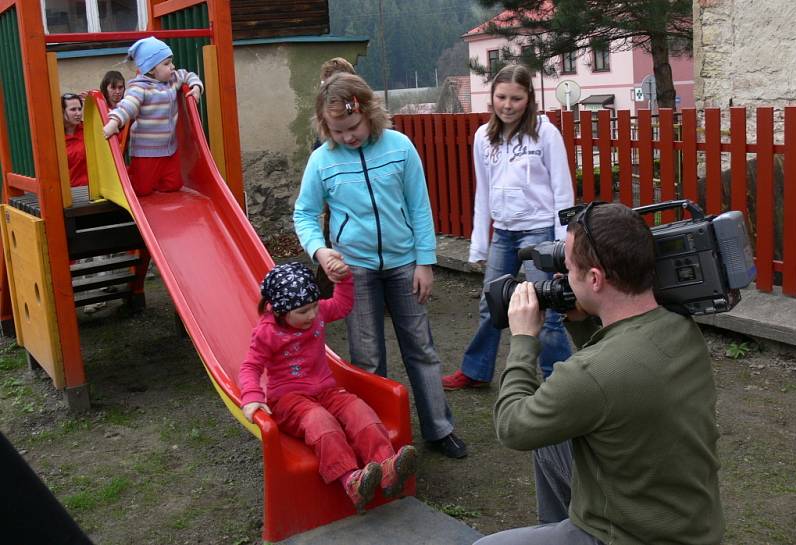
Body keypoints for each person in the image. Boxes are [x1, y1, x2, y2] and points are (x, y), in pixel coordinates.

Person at [475, 202, 724, 545]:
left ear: (595, 279)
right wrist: (581, 320)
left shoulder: (591, 375)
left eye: (569, 268)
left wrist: (522, 340)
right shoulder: (679, 325)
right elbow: (612, 375)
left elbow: (513, 427)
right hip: (690, 524)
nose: (563, 278)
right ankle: (559, 527)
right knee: (551, 440)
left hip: (631, 537)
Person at [293, 72, 467, 459]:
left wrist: (425, 261)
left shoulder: (400, 148)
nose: (347, 137)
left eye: (352, 127)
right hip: (354, 270)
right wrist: (321, 252)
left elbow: (420, 208)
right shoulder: (322, 161)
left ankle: (439, 428)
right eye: (337, 131)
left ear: (369, 112)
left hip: (405, 263)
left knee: (421, 348)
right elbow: (304, 213)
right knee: (367, 357)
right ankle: (377, 436)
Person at [238, 262, 417, 513]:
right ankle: (350, 481)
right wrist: (252, 397)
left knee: (359, 411)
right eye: (303, 311)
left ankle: (387, 467)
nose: (312, 315)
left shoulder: (317, 313)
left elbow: (342, 306)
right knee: (321, 423)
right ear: (280, 312)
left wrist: (343, 280)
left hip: (327, 391)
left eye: (313, 307)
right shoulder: (268, 332)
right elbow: (250, 366)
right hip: (289, 399)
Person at [442, 64, 574, 390]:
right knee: (491, 304)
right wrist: (478, 244)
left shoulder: (545, 133)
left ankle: (559, 384)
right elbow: (482, 194)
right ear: (492, 97)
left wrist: (563, 250)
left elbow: (563, 191)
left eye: (516, 98)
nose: (508, 105)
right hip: (503, 232)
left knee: (548, 310)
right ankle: (476, 370)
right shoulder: (483, 138)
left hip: (541, 233)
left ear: (529, 98)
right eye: (501, 97)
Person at [103, 37, 203, 197]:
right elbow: (127, 105)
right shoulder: (139, 87)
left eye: (171, 62)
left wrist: (196, 87)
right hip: (146, 151)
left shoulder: (172, 80)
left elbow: (189, 75)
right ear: (150, 69)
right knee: (141, 189)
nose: (172, 67)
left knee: (174, 185)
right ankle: (125, 177)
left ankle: (153, 178)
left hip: (170, 149)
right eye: (166, 64)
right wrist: (114, 121)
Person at [313, 57, 357, 299]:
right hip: (334, 183)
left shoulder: (356, 108)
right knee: (333, 238)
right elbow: (319, 146)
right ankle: (327, 290)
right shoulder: (325, 110)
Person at [62, 93, 88, 187]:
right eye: (73, 109)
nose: (78, 113)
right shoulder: (55, 138)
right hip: (70, 193)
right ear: (62, 111)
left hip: (93, 190)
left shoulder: (88, 130)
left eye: (80, 109)